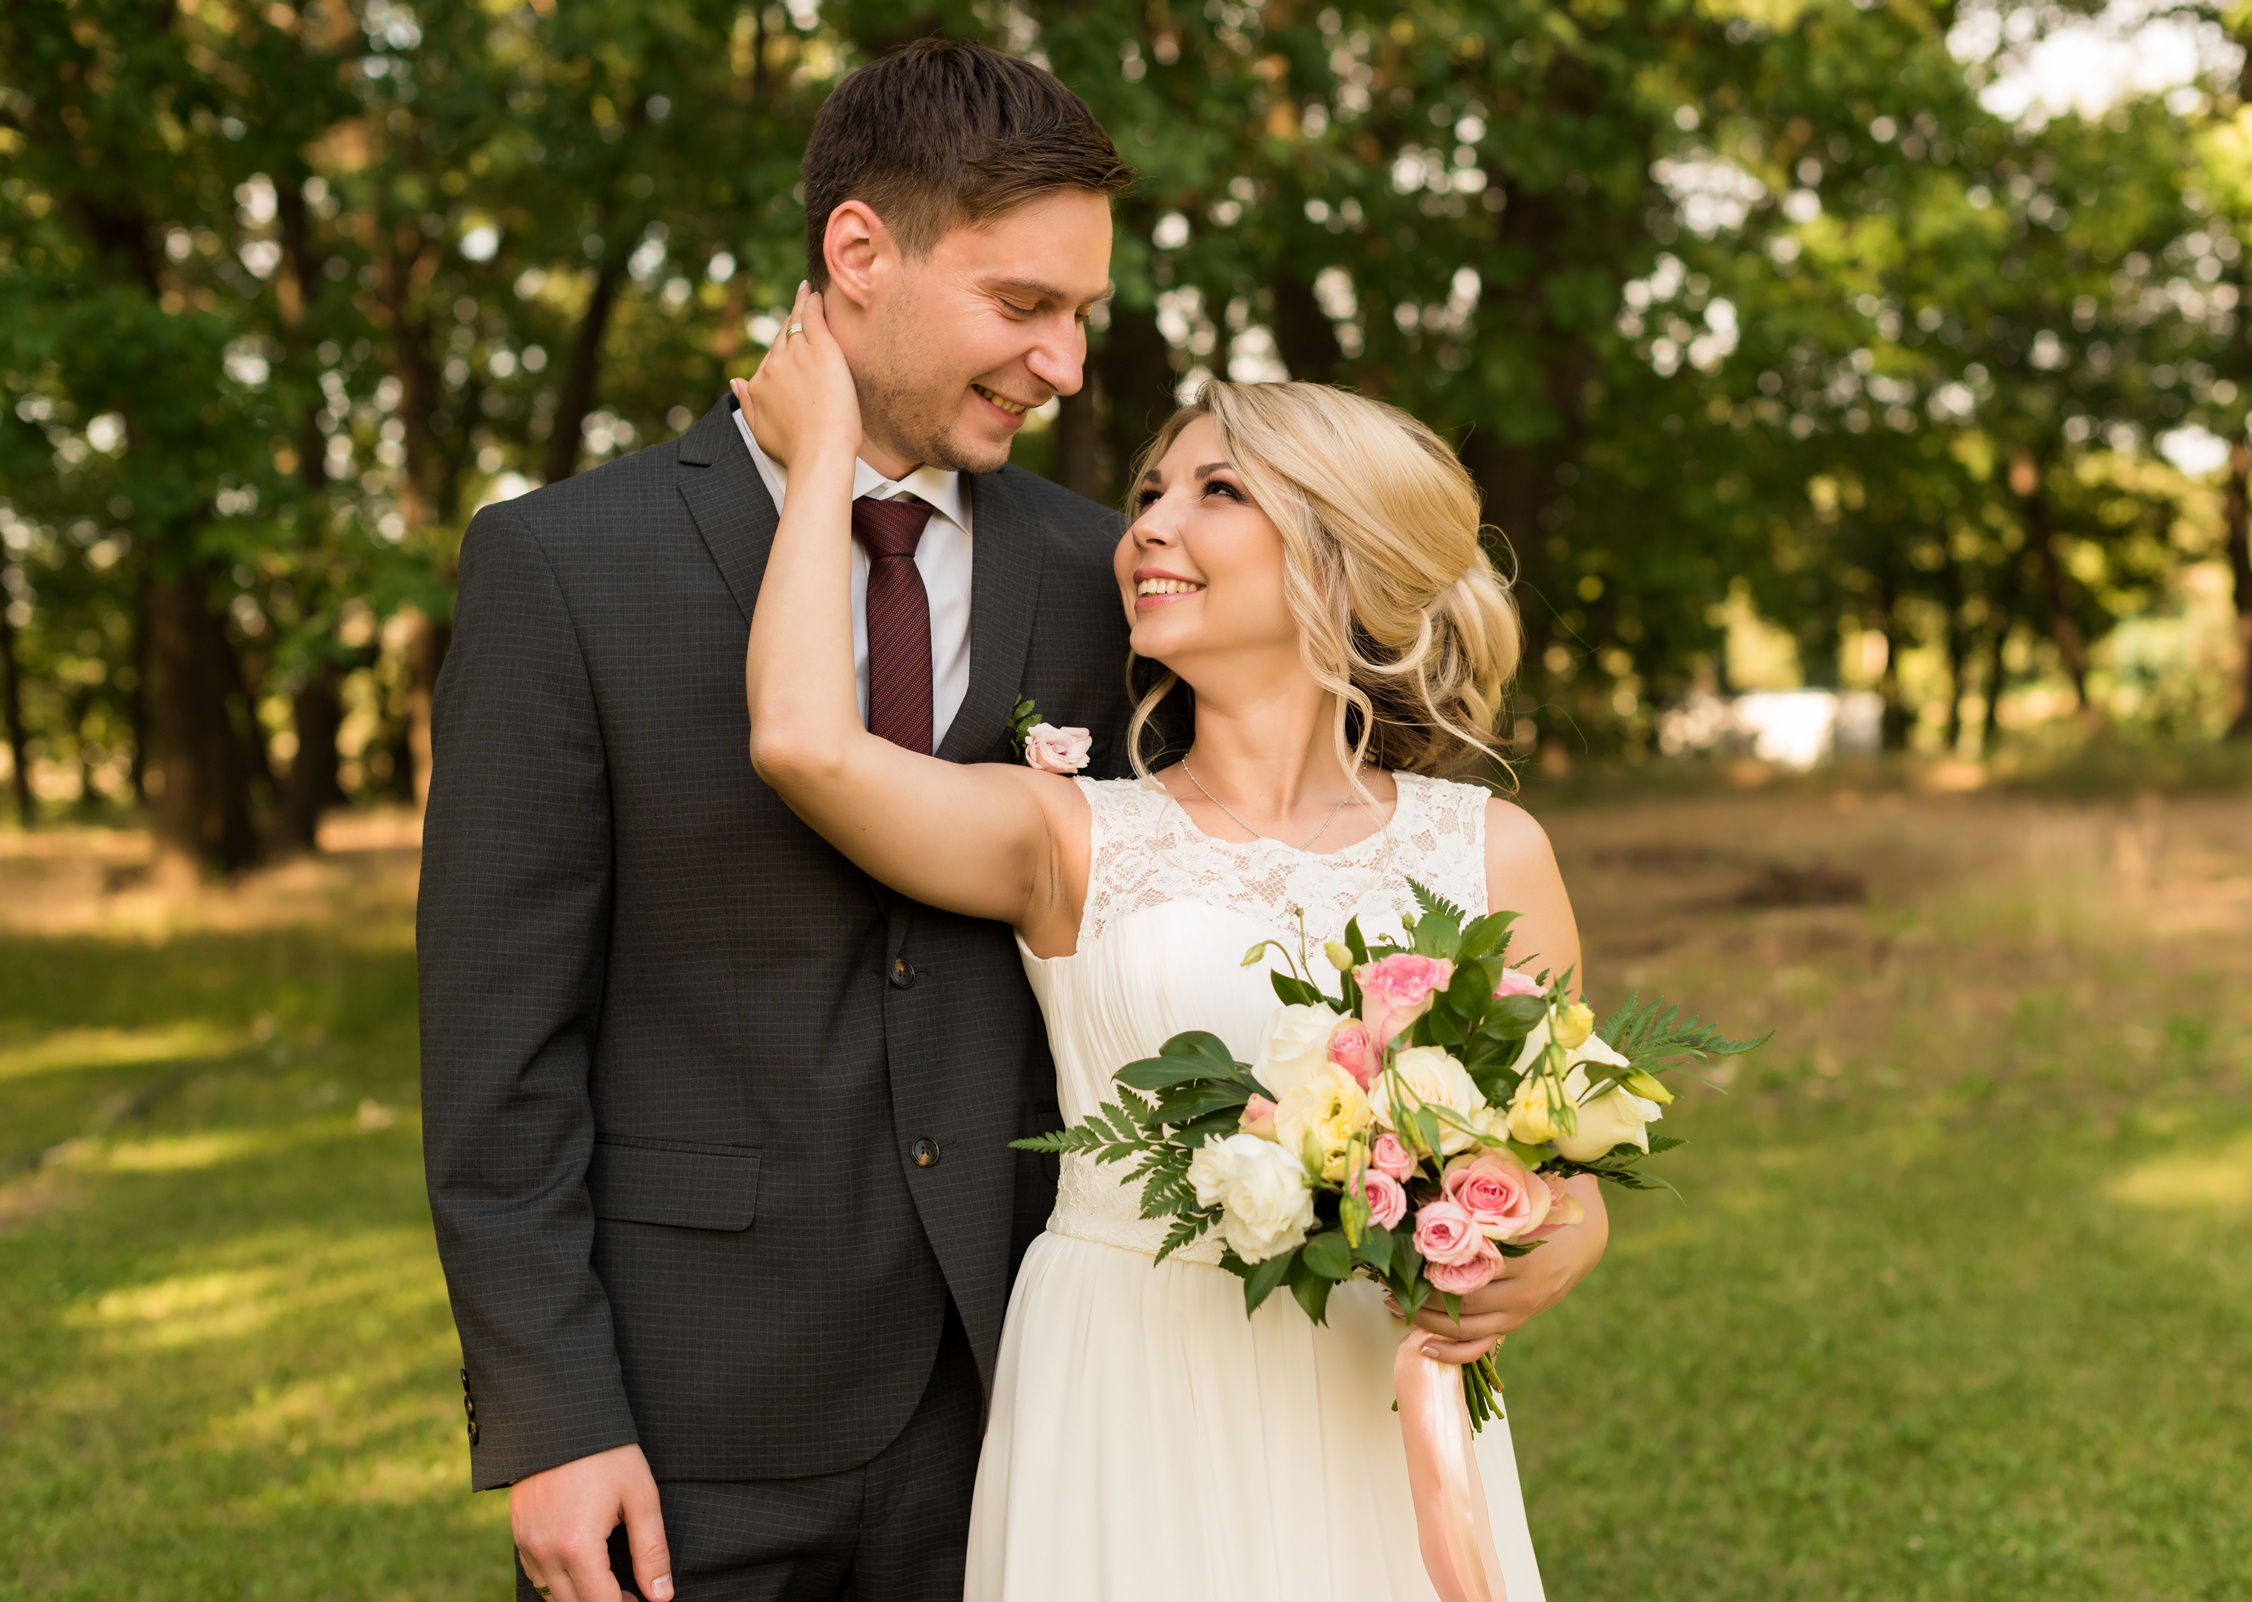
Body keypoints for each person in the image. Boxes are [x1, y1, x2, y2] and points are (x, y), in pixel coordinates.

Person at [737, 286, 1613, 1597]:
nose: (1147, 523)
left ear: (1337, 551)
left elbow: (1572, 1173)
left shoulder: (1488, 853)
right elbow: (804, 746)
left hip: (1361, 1401)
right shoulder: (1067, 835)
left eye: (1216, 492)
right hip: (1121, 1380)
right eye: (1151, 492)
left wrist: (1546, 1248)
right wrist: (820, 466)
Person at [418, 40, 1135, 1602]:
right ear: (859, 253)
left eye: (1083, 314)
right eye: (1024, 306)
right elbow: (497, 1043)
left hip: (1021, 1398)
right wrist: (552, 1415)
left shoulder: (1102, 578)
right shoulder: (563, 564)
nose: (1066, 362)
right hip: (687, 1422)